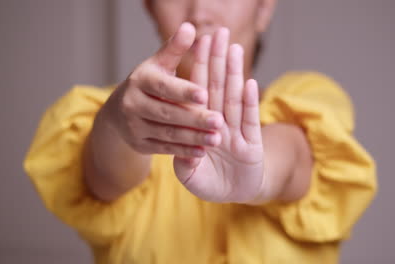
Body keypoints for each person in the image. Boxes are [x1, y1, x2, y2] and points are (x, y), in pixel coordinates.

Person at [24, 0, 377, 263]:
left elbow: (294, 156)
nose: (199, 11)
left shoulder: (308, 101)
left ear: (265, 8)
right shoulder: (100, 115)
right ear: (149, 8)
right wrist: (116, 126)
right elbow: (104, 175)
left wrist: (260, 174)